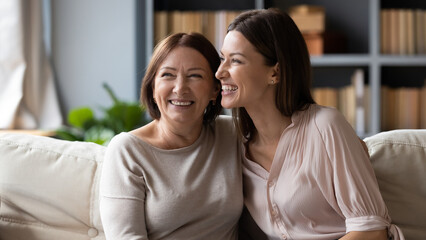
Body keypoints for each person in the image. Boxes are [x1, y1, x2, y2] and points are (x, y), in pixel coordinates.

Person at [216, 8, 405, 240]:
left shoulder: (325, 126)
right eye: (221, 59)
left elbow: (371, 231)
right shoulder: (235, 145)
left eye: (235, 61)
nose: (219, 72)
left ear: (275, 72)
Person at [99, 32, 243, 239]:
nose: (180, 88)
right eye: (168, 75)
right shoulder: (127, 150)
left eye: (195, 75)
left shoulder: (232, 134)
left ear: (214, 90)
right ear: (152, 87)